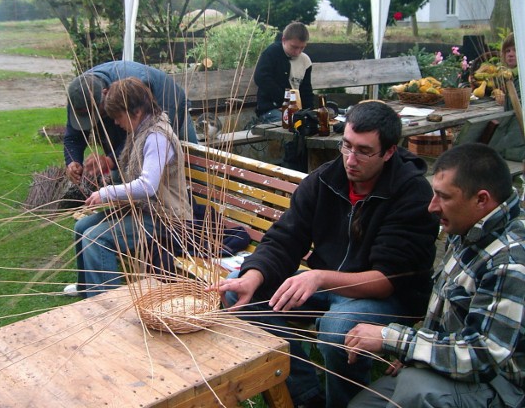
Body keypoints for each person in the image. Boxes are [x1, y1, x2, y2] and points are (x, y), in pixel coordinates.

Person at [212, 101, 439, 408]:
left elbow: (388, 279)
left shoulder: (411, 193)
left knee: (338, 327)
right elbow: (285, 239)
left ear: (389, 152)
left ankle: (346, 402)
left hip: (389, 297)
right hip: (327, 284)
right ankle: (308, 395)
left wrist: (318, 277)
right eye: (346, 146)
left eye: (363, 151)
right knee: (238, 289)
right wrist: (253, 276)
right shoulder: (324, 180)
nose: (350, 159)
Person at [345, 143, 525, 408]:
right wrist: (416, 354)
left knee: (417, 391)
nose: (432, 207)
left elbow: (482, 356)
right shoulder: (468, 226)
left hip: (498, 383)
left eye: (443, 196)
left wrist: (394, 340)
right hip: (454, 364)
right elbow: (446, 310)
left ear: (482, 199)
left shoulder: (509, 261)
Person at [69, 77, 193, 297]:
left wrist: (106, 193)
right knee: (82, 228)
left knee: (96, 238)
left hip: (165, 216)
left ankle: (108, 305)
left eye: (118, 116)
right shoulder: (141, 131)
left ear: (135, 111)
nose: (116, 122)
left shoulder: (157, 137)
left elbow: (148, 186)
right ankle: (87, 290)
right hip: (145, 209)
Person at [63, 60, 198, 187]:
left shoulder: (135, 90)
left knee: (195, 167)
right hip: (130, 117)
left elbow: (141, 137)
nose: (115, 122)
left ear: (105, 94)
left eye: (97, 114)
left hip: (171, 106)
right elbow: (73, 137)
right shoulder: (79, 95)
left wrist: (110, 160)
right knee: (121, 178)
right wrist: (72, 161)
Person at [254, 22, 314, 123]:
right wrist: (284, 101)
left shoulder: (305, 60)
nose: (297, 52)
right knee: (292, 123)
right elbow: (261, 78)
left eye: (302, 48)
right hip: (271, 109)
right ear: (283, 40)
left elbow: (306, 90)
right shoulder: (272, 53)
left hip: (296, 110)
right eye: (294, 47)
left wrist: (310, 112)